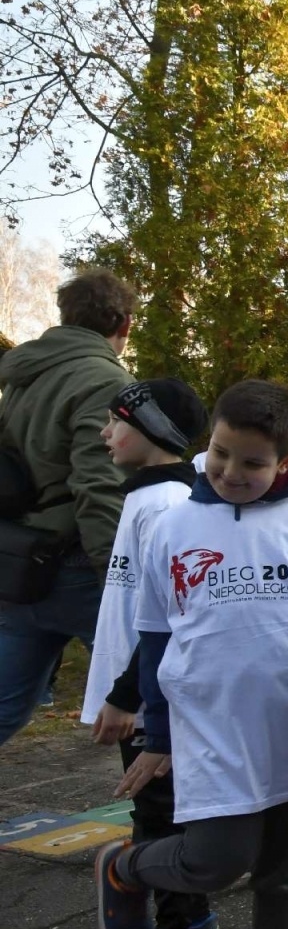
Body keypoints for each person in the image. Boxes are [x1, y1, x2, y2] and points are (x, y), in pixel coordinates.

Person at [93, 379, 288, 929]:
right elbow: (156, 635)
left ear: (285, 463)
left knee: (283, 872)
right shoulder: (174, 526)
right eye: (222, 454)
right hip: (210, 732)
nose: (232, 472)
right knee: (217, 862)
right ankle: (126, 866)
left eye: (253, 463)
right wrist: (158, 731)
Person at [79, 379, 218, 929]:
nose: (106, 433)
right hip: (138, 692)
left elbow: (169, 619)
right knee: (167, 812)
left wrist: (128, 693)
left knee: (160, 818)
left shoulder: (165, 505)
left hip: (149, 698)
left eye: (117, 421)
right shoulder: (145, 500)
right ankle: (198, 919)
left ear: (156, 429)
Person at [0, 268, 136, 745]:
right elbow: (98, 484)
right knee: (146, 694)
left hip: (22, 565)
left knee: (3, 707)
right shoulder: (102, 379)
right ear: (124, 325)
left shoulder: (23, 375)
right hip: (81, 563)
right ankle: (166, 819)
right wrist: (117, 574)